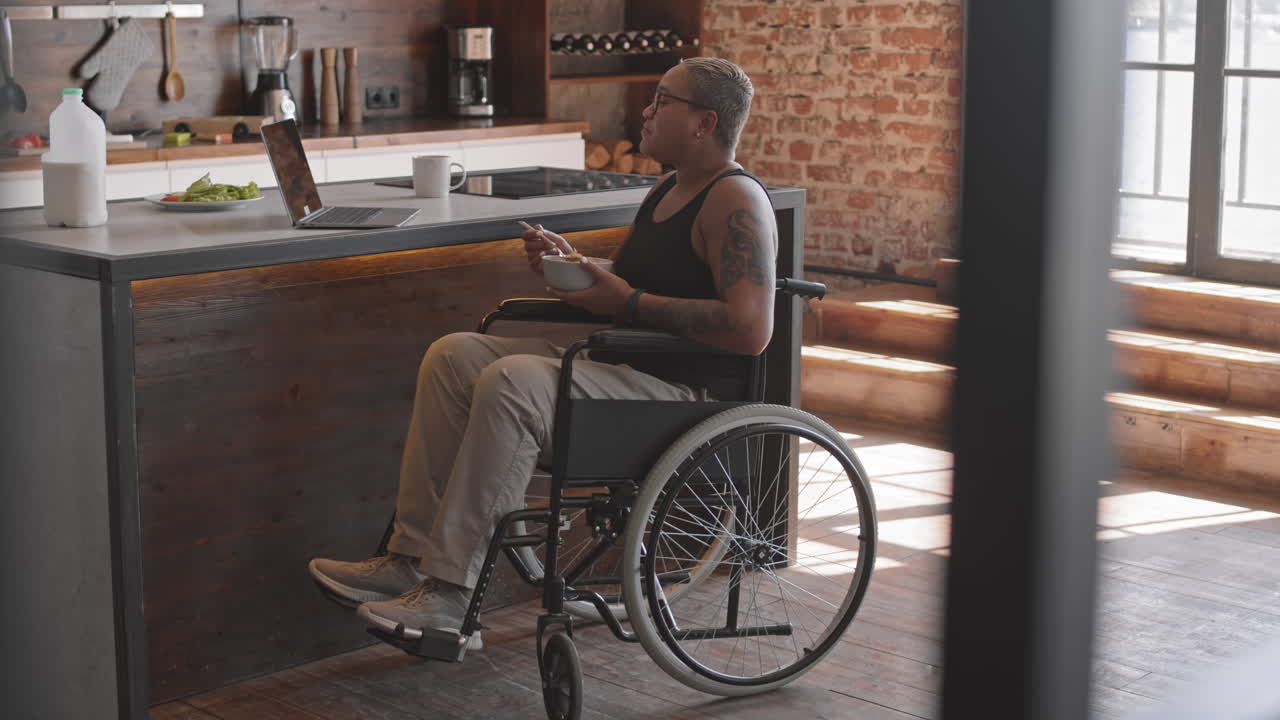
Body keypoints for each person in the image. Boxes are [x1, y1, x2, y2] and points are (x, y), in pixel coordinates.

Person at [307, 57, 778, 648]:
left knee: (514, 379)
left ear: (705, 122)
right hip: (621, 370)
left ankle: (453, 601)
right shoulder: (668, 188)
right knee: (453, 355)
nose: (647, 111)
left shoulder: (735, 199)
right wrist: (585, 272)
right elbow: (649, 284)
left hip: (679, 398)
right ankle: (411, 559)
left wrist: (625, 302)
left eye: (663, 100)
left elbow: (750, 326)